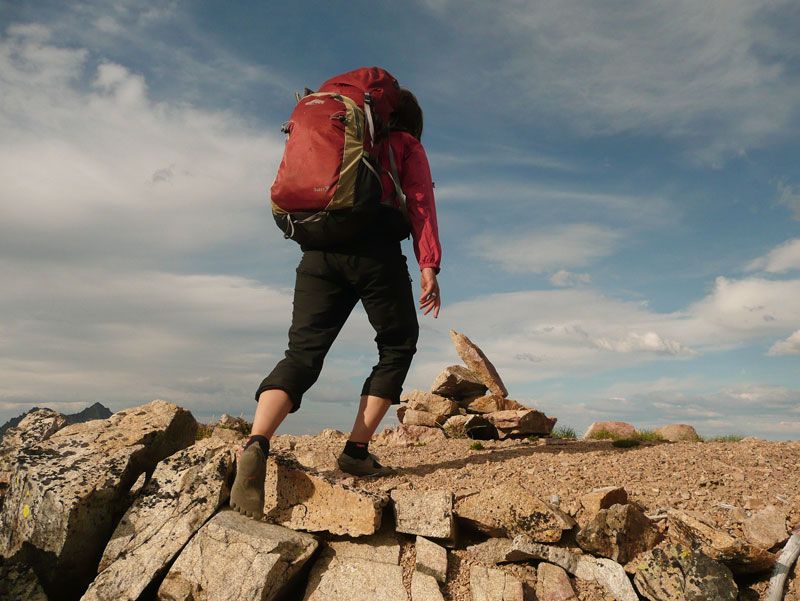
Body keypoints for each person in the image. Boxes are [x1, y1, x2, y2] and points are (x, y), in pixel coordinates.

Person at [230, 88, 442, 519]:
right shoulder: (405, 145)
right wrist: (429, 265)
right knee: (398, 343)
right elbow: (420, 202)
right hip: (376, 252)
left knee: (302, 353)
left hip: (318, 250)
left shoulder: (340, 130)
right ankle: (356, 450)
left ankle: (256, 442)